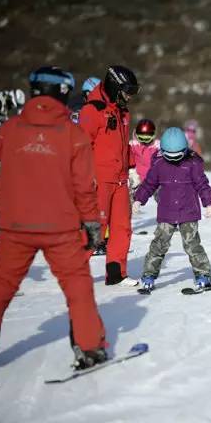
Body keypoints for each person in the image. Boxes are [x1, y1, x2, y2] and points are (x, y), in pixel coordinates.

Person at [0, 66, 107, 372]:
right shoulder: (74, 135)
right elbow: (84, 187)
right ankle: (90, 347)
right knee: (78, 288)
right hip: (61, 227)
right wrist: (92, 223)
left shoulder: (9, 130)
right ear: (63, 92)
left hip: (16, 225)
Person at [132, 127, 211, 293]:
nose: (174, 160)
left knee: (192, 245)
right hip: (167, 213)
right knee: (159, 245)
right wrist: (139, 199)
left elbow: (202, 184)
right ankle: (149, 275)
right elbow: (149, 184)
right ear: (163, 152)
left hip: (188, 212)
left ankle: (203, 274)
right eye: (169, 156)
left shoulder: (192, 163)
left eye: (177, 156)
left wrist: (209, 203)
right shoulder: (159, 164)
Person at [79, 65, 140, 286]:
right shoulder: (92, 111)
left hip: (120, 180)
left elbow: (124, 145)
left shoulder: (123, 112)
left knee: (122, 228)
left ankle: (116, 273)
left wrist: (131, 168)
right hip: (99, 180)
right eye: (127, 91)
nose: (130, 97)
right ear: (115, 87)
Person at [129, 118, 160, 199]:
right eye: (142, 138)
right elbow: (128, 162)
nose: (145, 142)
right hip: (137, 181)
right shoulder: (132, 146)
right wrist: (132, 175)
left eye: (147, 138)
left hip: (153, 183)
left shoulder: (157, 146)